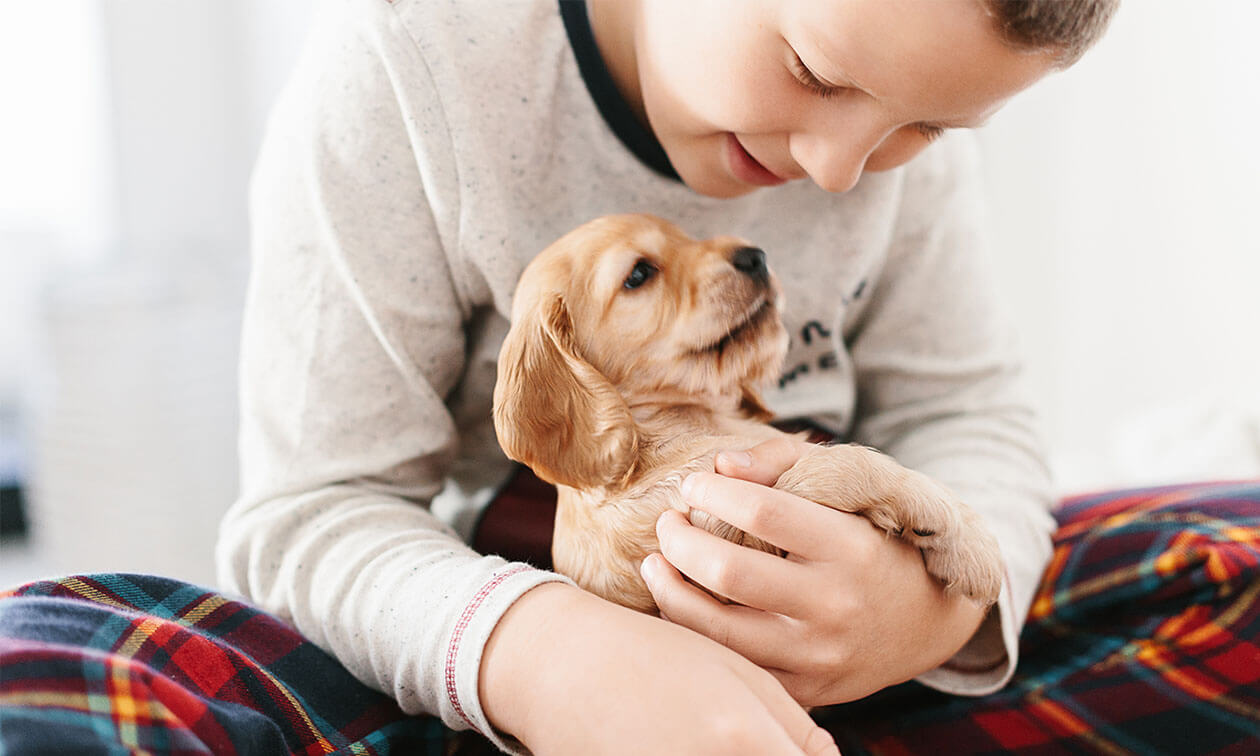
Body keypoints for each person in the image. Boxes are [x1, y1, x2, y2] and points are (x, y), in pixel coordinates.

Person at [34, 0, 1260, 754]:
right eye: (817, 73)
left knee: (1237, 549)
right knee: (68, 659)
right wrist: (550, 661)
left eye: (923, 130)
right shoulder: (415, 61)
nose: (841, 171)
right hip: (494, 691)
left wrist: (925, 615)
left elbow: (970, 414)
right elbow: (311, 511)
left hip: (858, 673)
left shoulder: (887, 120)